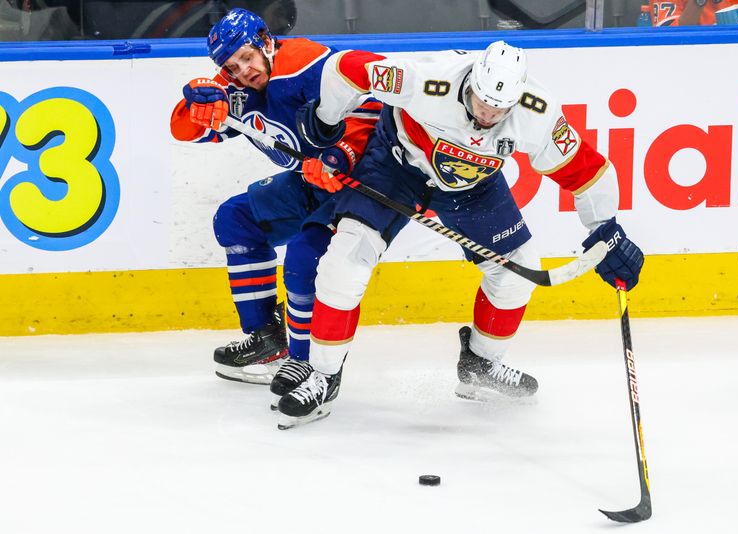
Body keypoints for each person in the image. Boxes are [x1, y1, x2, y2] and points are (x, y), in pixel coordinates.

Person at [274, 41, 645, 429]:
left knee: (520, 271)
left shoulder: (538, 112)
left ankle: (480, 366)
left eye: (499, 109)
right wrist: (326, 117)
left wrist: (607, 229)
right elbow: (345, 66)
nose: (488, 114)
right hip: (395, 168)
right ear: (470, 83)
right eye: (481, 102)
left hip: (473, 186)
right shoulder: (426, 77)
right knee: (343, 267)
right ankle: (324, 376)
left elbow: (587, 170)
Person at [169, 8, 379, 393]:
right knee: (236, 220)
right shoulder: (235, 89)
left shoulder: (305, 64)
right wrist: (196, 99)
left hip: (358, 185)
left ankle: (306, 364)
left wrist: (338, 157)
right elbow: (183, 131)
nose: (242, 71)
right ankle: (267, 340)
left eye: (247, 57)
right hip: (310, 183)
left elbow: (372, 108)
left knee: (303, 258)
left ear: (266, 42)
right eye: (231, 66)